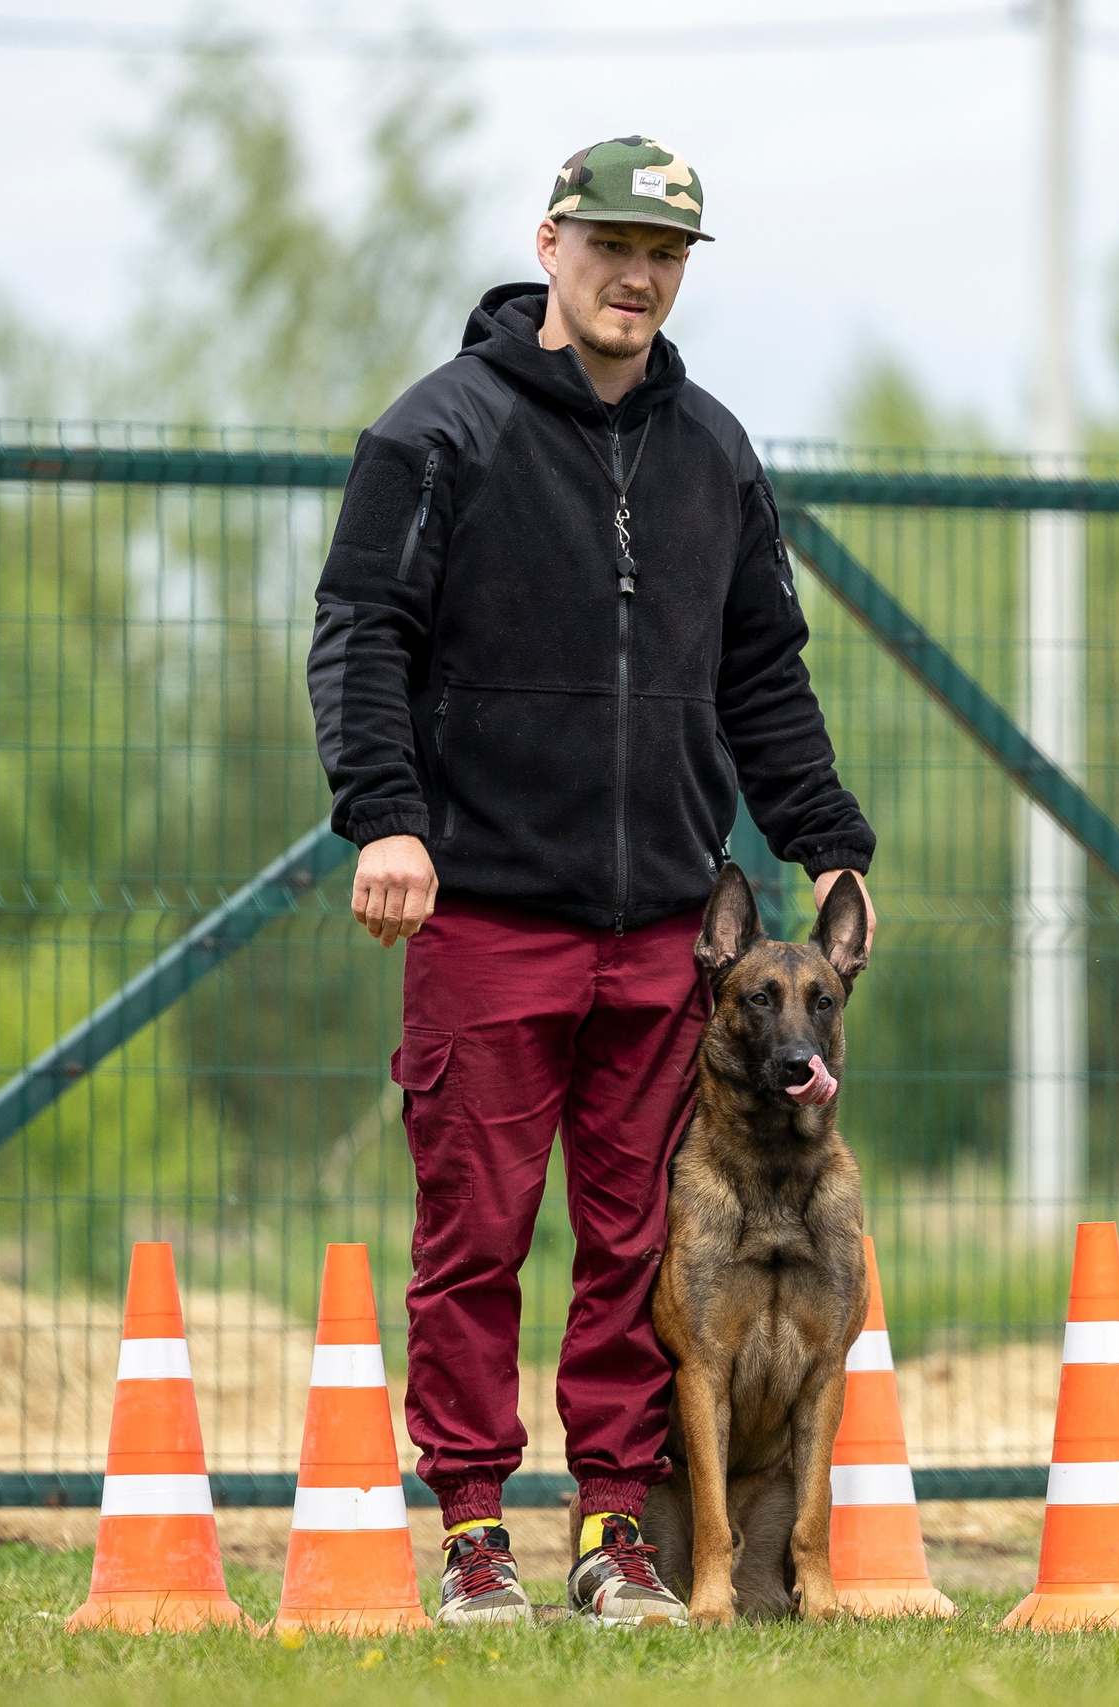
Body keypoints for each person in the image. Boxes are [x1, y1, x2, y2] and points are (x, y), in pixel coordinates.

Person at [307, 136, 876, 1627]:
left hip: (665, 940)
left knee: (638, 1250)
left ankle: (617, 1533)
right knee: (475, 1240)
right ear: (550, 242)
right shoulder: (436, 431)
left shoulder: (715, 451)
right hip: (487, 913)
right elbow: (360, 627)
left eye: (666, 255)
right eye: (614, 245)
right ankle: (474, 1534)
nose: (639, 277)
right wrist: (386, 820)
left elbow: (764, 671)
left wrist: (827, 833)